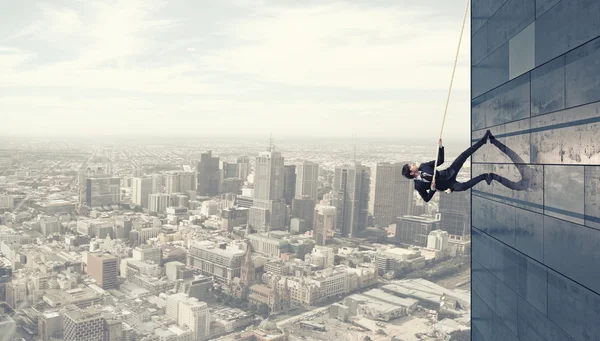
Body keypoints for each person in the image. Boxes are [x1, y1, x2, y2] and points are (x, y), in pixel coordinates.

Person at [401, 130, 494, 202]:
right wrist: (432, 189)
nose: (413, 164)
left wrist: (440, 147)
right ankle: (485, 177)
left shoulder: (423, 166)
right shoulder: (418, 186)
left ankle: (483, 141)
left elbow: (440, 161)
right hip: (448, 186)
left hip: (448, 173)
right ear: (412, 172)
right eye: (411, 166)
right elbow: (426, 199)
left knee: (463, 156)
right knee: (463, 187)